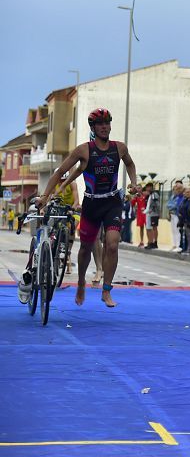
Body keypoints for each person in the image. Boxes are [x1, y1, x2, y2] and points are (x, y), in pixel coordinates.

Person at [36, 108, 139, 308]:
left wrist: (133, 183)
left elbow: (130, 164)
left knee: (112, 243)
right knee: (85, 248)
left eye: (107, 123)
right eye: (100, 124)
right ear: (93, 127)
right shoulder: (83, 150)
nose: (104, 127)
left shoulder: (120, 147)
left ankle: (107, 290)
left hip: (112, 202)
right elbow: (60, 173)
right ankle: (81, 281)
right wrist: (45, 196)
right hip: (91, 204)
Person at [168, 181, 184, 252]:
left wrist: (171, 206)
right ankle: (174, 244)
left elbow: (176, 206)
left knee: (177, 230)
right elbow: (168, 205)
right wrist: (171, 206)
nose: (175, 191)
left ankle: (178, 245)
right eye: (174, 189)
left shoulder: (180, 197)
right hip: (172, 214)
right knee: (173, 230)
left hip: (177, 214)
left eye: (176, 189)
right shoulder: (172, 196)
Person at [144, 183, 160, 249]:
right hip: (149, 214)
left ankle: (155, 242)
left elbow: (157, 204)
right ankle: (150, 242)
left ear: (151, 187)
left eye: (148, 187)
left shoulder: (154, 195)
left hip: (154, 214)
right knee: (149, 228)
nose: (147, 189)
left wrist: (153, 210)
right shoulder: (149, 195)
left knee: (154, 228)